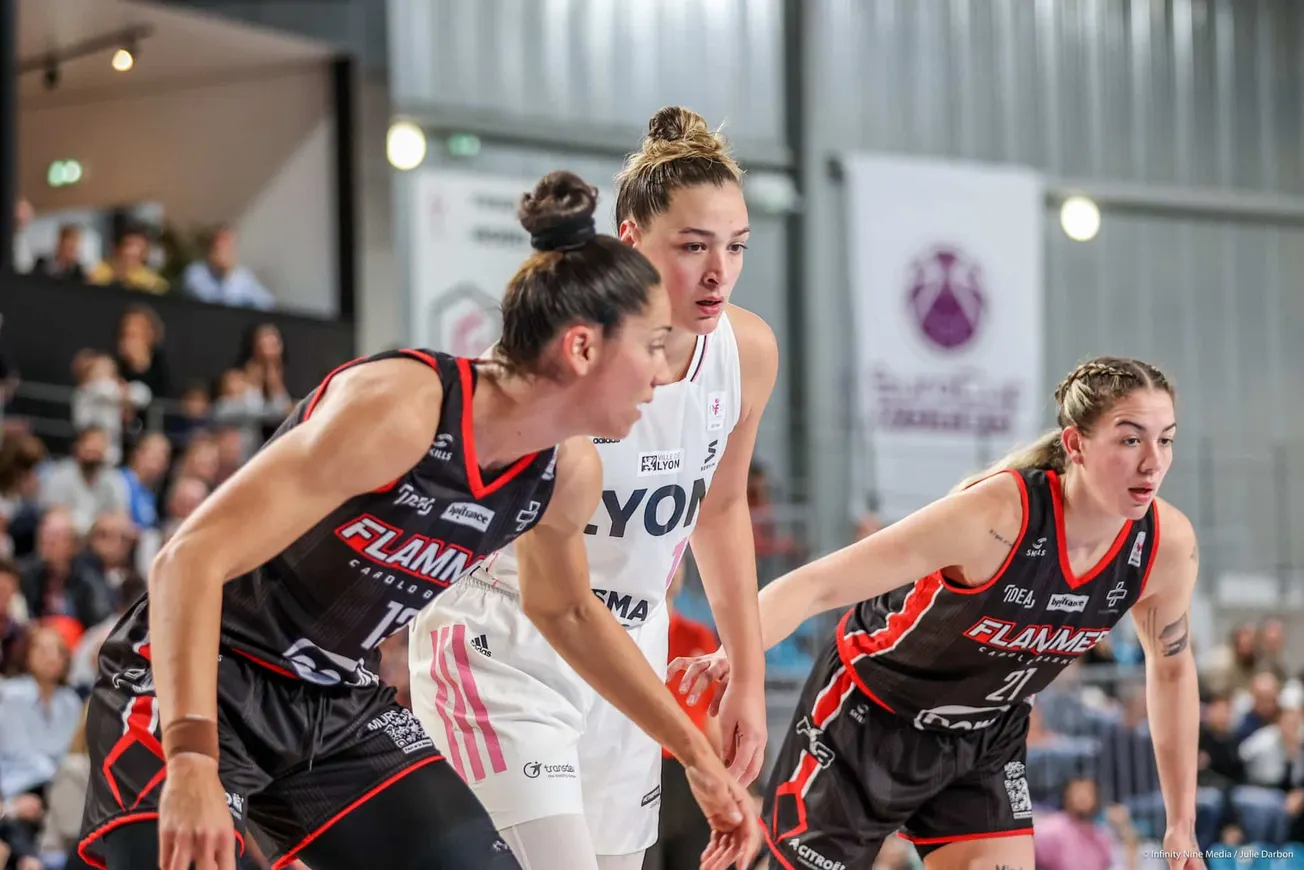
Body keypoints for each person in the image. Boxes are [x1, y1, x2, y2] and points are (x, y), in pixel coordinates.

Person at [76, 171, 758, 870]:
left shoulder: (566, 473)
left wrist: (698, 756)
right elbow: (185, 560)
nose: (658, 373)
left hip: (338, 699)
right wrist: (191, 757)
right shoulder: (403, 408)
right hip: (205, 678)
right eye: (649, 346)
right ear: (582, 348)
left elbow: (571, 614)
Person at [409, 105, 777, 870]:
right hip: (510, 640)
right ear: (632, 240)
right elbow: (557, 598)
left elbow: (721, 508)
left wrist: (747, 672)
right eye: (694, 246)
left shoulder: (747, 350)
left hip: (628, 656)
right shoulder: (565, 353)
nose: (719, 272)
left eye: (736, 248)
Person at [673, 357, 1205, 870]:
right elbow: (818, 584)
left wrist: (1181, 822)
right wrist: (734, 654)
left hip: (985, 737)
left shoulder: (1165, 545)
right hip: (869, 720)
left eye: (1166, 439)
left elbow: (1173, 667)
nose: (1152, 461)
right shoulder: (997, 516)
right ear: (1076, 445)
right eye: (1131, 438)